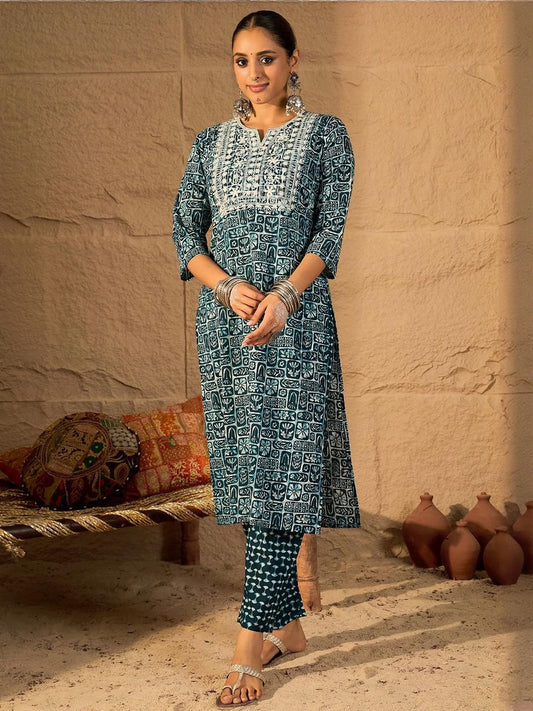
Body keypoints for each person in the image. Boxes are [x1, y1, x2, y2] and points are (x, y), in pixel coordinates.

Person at [172, 10, 360, 707]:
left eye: (267, 58)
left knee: (286, 473)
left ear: (293, 60)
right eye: (241, 60)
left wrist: (283, 297)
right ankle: (288, 627)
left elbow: (328, 235)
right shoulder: (209, 143)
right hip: (226, 330)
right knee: (255, 477)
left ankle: (248, 645)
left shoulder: (326, 136)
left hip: (295, 324)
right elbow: (183, 231)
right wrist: (225, 288)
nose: (254, 73)